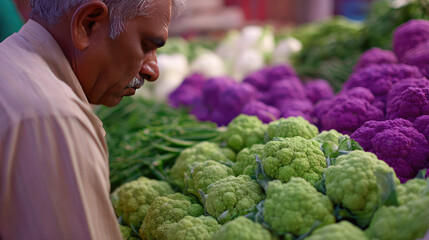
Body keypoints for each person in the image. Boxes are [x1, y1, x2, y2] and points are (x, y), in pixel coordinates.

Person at [0, 0, 185, 239]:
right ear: (87, 25)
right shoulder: (56, 120)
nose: (152, 70)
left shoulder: (10, 59)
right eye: (146, 46)